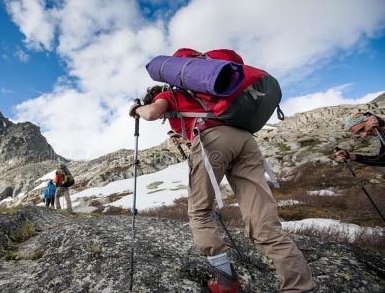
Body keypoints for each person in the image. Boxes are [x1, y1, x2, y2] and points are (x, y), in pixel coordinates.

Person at [129, 49, 315, 292]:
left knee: (200, 211)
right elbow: (210, 120)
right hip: (245, 140)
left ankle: (227, 283)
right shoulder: (206, 91)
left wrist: (136, 110)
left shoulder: (168, 93)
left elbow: (153, 113)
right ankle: (299, 286)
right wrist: (185, 138)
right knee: (263, 221)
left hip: (213, 141)